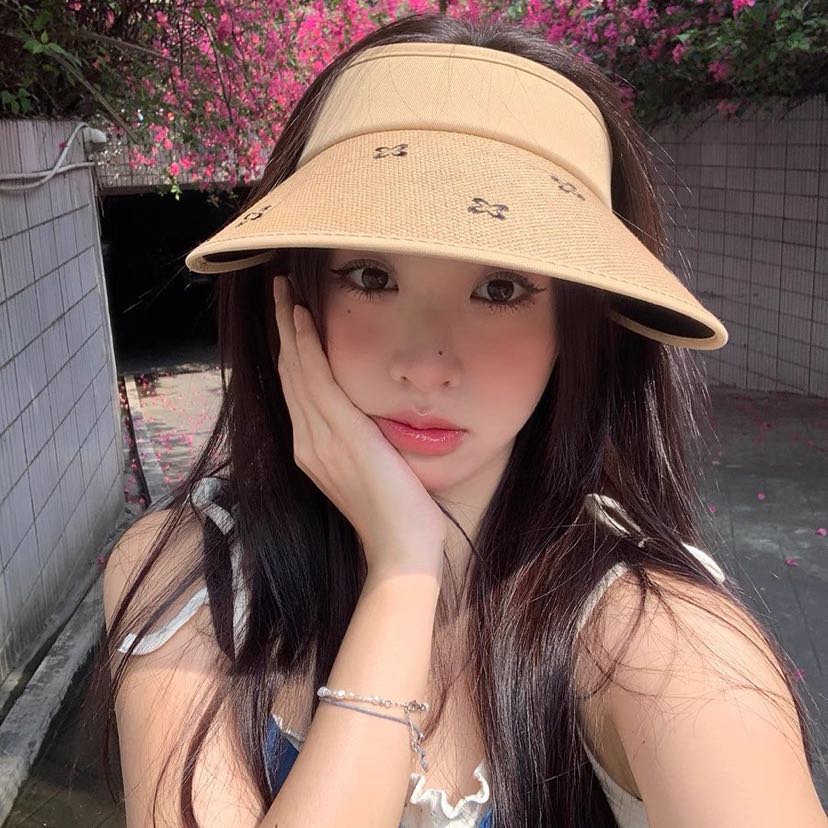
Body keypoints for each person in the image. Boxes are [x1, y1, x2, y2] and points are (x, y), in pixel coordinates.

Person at [92, 11, 827, 828]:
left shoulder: (662, 643)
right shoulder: (190, 581)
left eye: (501, 289)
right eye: (371, 276)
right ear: (294, 296)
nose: (427, 364)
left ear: (576, 328)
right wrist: (403, 571)